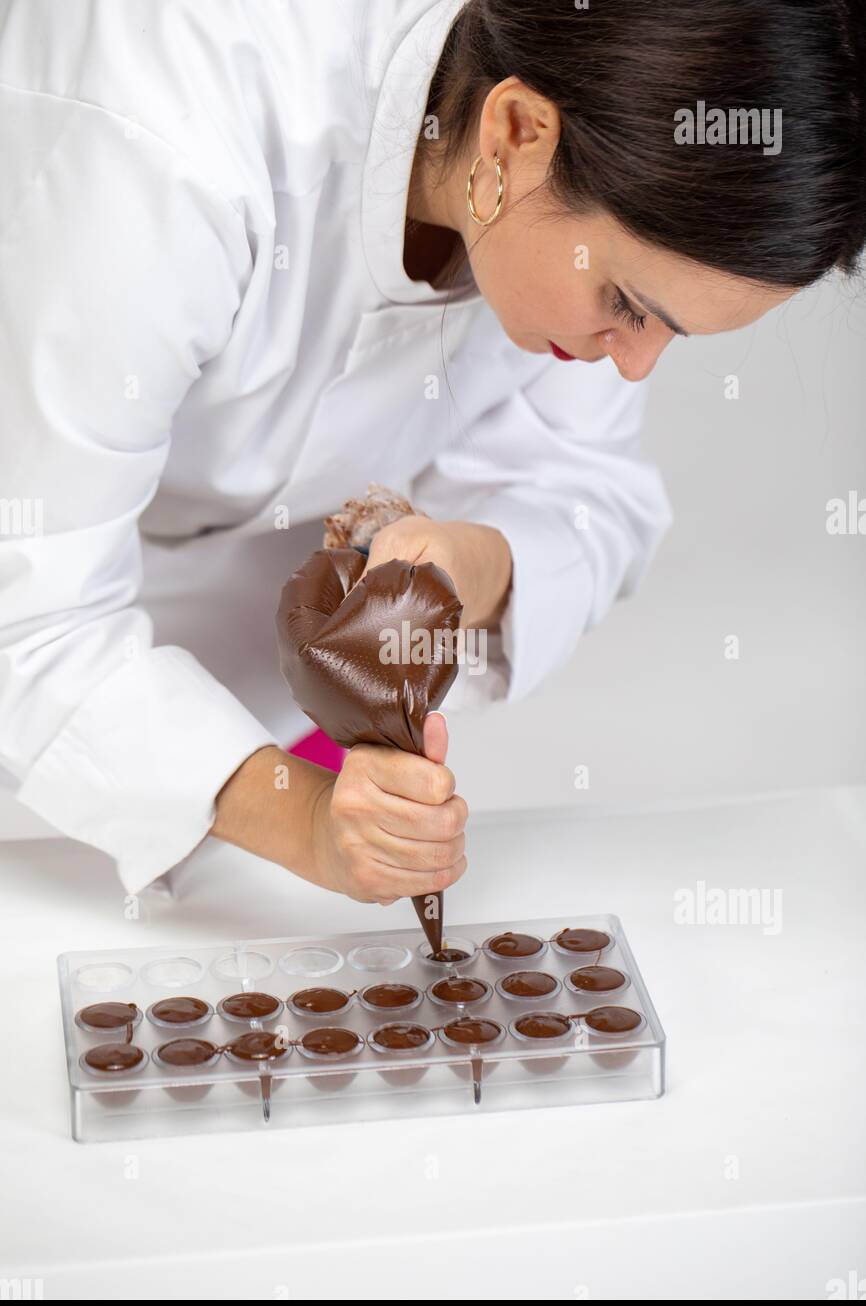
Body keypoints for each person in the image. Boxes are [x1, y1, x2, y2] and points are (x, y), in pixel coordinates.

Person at [0, 0, 863, 907]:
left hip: (255, 700)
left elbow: (589, 494)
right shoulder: (169, 127)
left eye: (671, 334)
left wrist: (463, 563)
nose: (636, 363)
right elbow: (29, 616)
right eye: (631, 304)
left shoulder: (559, 168)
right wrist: (301, 823)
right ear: (518, 130)